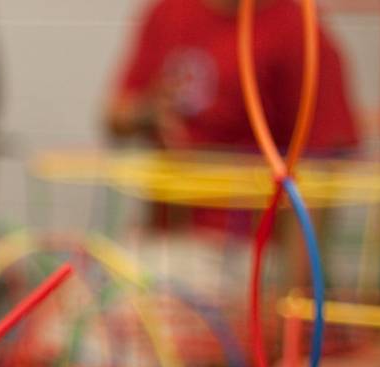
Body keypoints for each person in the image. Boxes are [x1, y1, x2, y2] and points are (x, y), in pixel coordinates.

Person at [105, 0, 359, 234]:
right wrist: (147, 112)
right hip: (167, 235)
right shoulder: (169, 11)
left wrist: (295, 283)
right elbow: (115, 116)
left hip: (246, 246)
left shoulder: (299, 31)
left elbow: (319, 168)